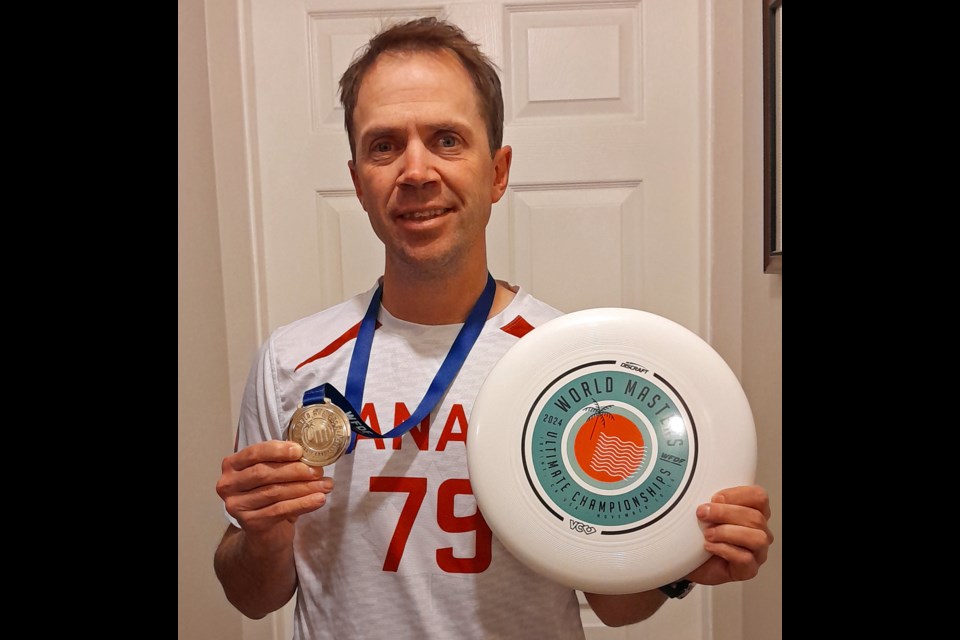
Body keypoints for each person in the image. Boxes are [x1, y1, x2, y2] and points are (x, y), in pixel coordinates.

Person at [214, 17, 773, 639]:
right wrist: (261, 535)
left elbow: (615, 604)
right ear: (358, 182)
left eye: (447, 139)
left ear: (498, 171)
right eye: (384, 145)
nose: (416, 171)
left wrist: (681, 558)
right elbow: (253, 597)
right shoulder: (292, 360)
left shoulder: (575, 369)